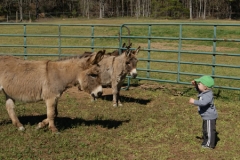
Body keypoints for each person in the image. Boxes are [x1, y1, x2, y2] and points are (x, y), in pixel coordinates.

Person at [189, 75, 218, 149]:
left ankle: (210, 145)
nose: (198, 85)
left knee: (209, 131)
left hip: (209, 116)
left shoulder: (208, 95)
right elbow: (199, 91)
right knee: (205, 129)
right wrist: (195, 85)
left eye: (199, 84)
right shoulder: (205, 92)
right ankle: (206, 141)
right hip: (206, 115)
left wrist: (194, 101)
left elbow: (203, 103)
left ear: (205, 87)